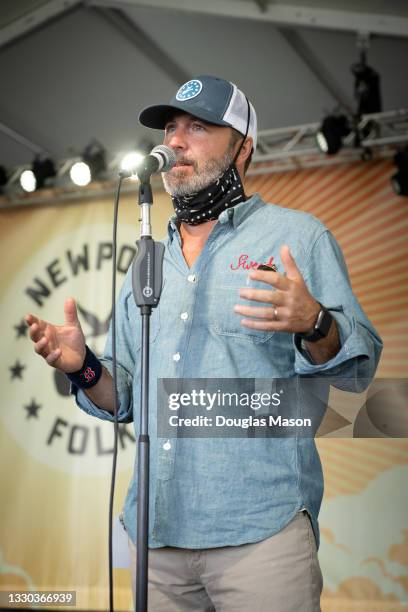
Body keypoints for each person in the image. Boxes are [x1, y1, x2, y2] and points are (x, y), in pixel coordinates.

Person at [26, 75, 383, 611]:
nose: (175, 140)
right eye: (171, 127)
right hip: (157, 534)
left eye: (198, 127)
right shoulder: (147, 260)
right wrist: (84, 368)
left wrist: (314, 324)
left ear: (245, 147)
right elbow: (121, 397)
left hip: (261, 532)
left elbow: (356, 373)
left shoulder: (298, 237)